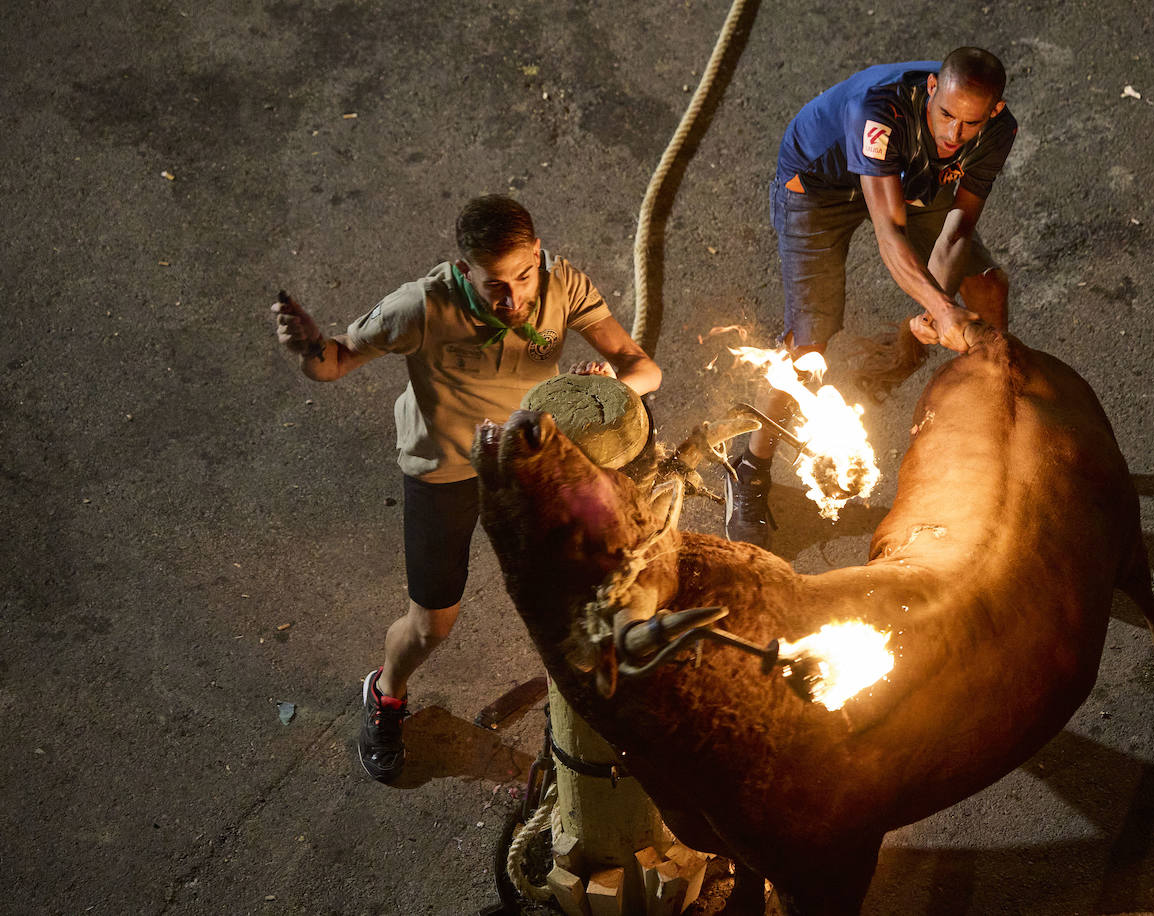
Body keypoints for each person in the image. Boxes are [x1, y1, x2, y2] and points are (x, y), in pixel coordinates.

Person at [271, 195, 662, 781]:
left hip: (528, 460)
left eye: (523, 276)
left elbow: (643, 368)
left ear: (538, 254)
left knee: (598, 579)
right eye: (493, 286)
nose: (512, 299)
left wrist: (611, 382)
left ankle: (599, 711)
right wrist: (306, 346)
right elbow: (331, 363)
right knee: (433, 626)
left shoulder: (564, 288)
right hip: (446, 470)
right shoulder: (420, 307)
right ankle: (386, 692)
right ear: (463, 271)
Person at [726, 47, 1017, 549]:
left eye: (969, 124)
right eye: (945, 115)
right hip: (818, 187)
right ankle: (748, 465)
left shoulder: (998, 130)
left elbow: (957, 231)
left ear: (992, 112)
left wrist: (936, 306)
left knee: (987, 283)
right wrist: (945, 311)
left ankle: (992, 427)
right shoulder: (878, 111)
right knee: (808, 338)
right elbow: (890, 237)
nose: (953, 134)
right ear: (932, 91)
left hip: (907, 177)